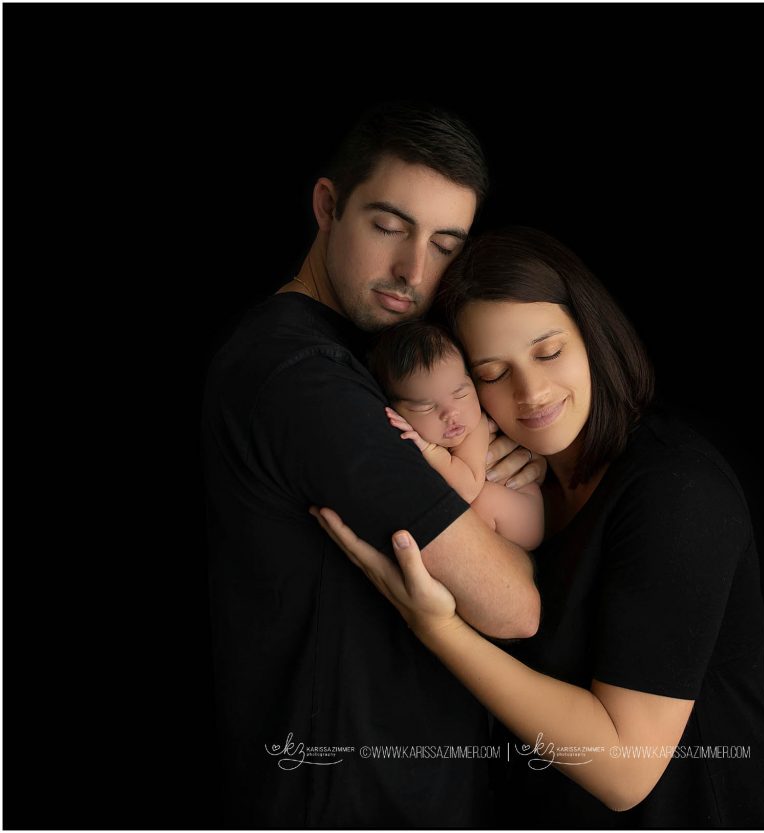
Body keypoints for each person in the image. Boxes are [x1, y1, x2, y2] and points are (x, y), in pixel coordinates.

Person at [312, 226, 764, 827]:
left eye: (548, 352)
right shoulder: (524, 488)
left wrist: (436, 628)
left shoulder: (677, 491)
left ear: (590, 334)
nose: (532, 392)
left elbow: (627, 769)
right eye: (491, 372)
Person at [201, 104, 546, 828]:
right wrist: (484, 486)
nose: (413, 271)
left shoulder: (376, 358)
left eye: (445, 244)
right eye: (389, 225)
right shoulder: (303, 377)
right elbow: (513, 605)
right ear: (328, 205)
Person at [368, 320, 545, 550]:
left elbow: (468, 487)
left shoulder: (476, 429)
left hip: (521, 513)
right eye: (425, 407)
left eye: (460, 393)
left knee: (480, 501)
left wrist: (430, 450)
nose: (451, 413)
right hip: (504, 518)